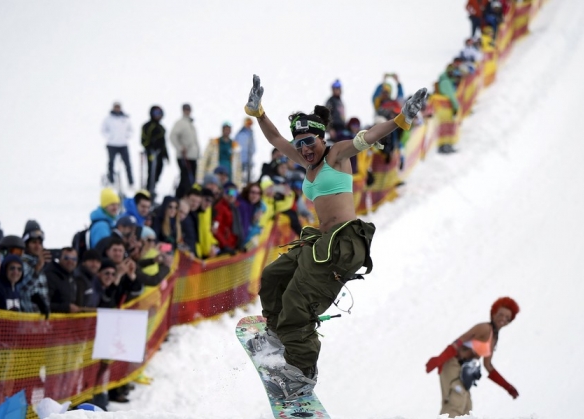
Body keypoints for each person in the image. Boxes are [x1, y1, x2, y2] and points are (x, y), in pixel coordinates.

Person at [243, 74, 426, 400]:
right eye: (299, 144)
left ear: (321, 138)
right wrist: (258, 113)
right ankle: (276, 334)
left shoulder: (336, 155)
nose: (304, 149)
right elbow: (274, 139)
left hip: (344, 243)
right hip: (319, 243)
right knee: (273, 277)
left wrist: (402, 118)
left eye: (309, 143)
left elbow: (369, 136)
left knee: (297, 303)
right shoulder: (305, 162)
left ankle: (302, 375)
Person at [425, 297, 521, 418]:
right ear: (494, 313)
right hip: (453, 364)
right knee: (456, 399)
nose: (503, 319)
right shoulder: (484, 328)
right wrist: (440, 359)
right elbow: (458, 342)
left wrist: (508, 387)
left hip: (464, 370)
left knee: (467, 408)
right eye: (501, 314)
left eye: (507, 317)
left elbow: (488, 365)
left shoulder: (494, 338)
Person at [170, 103, 200, 199]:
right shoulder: (180, 123)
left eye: (188, 109)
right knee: (186, 179)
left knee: (190, 179)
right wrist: (180, 147)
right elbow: (172, 136)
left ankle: (185, 198)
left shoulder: (191, 124)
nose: (187, 111)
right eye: (185, 109)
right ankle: (181, 198)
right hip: (184, 156)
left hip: (193, 156)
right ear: (183, 110)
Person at [102, 101, 133, 186]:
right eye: (116, 107)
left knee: (127, 164)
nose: (117, 109)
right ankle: (111, 180)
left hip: (123, 144)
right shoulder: (108, 119)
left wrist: (126, 136)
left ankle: (131, 181)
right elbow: (103, 130)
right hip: (112, 144)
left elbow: (130, 130)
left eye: (118, 107)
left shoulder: (125, 118)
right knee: (111, 162)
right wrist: (110, 137)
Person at [141, 105, 169, 198]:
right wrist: (149, 148)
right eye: (156, 113)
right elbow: (143, 140)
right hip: (151, 153)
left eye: (159, 113)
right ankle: (149, 189)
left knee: (159, 169)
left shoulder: (161, 127)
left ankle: (153, 187)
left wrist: (166, 154)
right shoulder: (147, 126)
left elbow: (163, 142)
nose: (158, 115)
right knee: (151, 170)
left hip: (160, 153)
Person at [234, 118, 256, 184]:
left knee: (248, 179)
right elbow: (236, 147)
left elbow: (253, 147)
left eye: (250, 124)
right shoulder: (240, 134)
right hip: (241, 160)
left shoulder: (251, 134)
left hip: (249, 161)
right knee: (239, 178)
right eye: (248, 124)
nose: (249, 125)